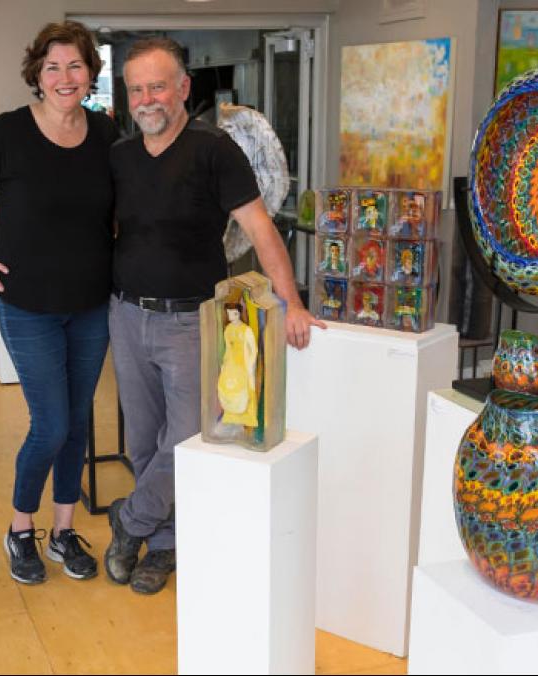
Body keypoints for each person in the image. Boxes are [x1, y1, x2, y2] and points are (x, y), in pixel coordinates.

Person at [104, 37, 324, 595]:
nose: (147, 99)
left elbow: (260, 231)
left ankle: (132, 523)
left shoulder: (215, 151)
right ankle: (166, 542)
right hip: (127, 316)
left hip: (189, 322)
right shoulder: (119, 158)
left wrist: (292, 301)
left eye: (158, 86)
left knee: (187, 439)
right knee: (144, 442)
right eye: (136, 89)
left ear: (183, 88)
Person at [0, 21, 118, 586]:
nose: (65, 77)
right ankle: (20, 529)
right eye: (53, 66)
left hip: (91, 304)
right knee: (52, 424)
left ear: (90, 73)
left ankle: (63, 532)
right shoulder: (9, 133)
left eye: (76, 66)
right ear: (37, 74)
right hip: (29, 305)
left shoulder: (109, 135)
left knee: (78, 422)